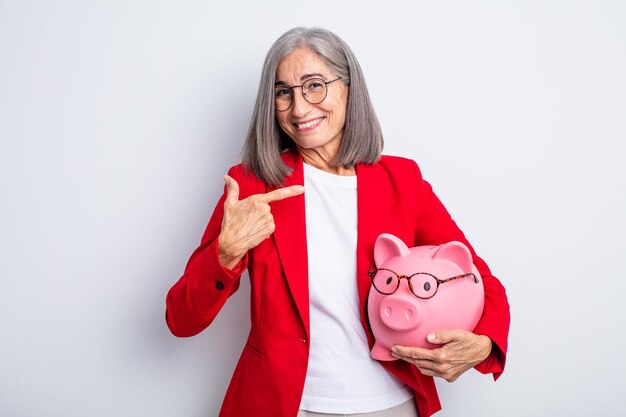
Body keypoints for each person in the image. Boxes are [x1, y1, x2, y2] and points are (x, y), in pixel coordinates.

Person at [165, 27, 510, 417]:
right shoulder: (252, 185)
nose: (299, 108)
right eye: (283, 92)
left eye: (314, 85)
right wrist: (225, 255)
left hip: (391, 402)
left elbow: (477, 277)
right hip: (283, 405)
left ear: (348, 88)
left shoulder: (403, 181)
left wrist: (484, 343)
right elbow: (181, 319)